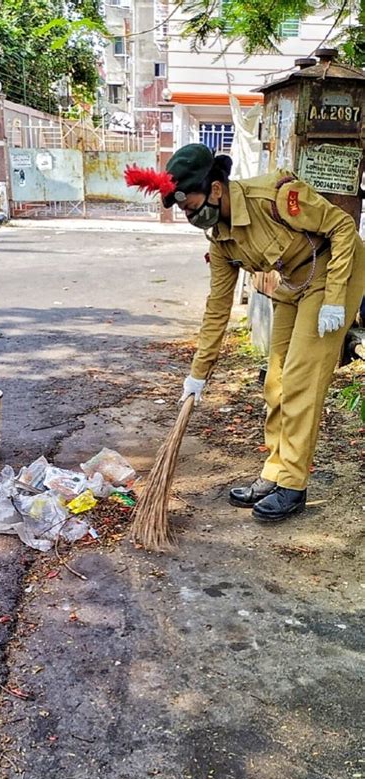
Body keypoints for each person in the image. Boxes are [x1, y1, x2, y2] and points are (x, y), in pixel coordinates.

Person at [125, 144, 364, 522]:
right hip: (293, 283)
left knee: (301, 378)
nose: (190, 216)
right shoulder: (221, 239)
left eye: (190, 206)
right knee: (275, 380)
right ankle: (275, 471)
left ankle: (293, 483)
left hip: (334, 271)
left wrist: (335, 298)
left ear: (216, 190)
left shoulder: (276, 197)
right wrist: (197, 374)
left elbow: (342, 227)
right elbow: (218, 307)